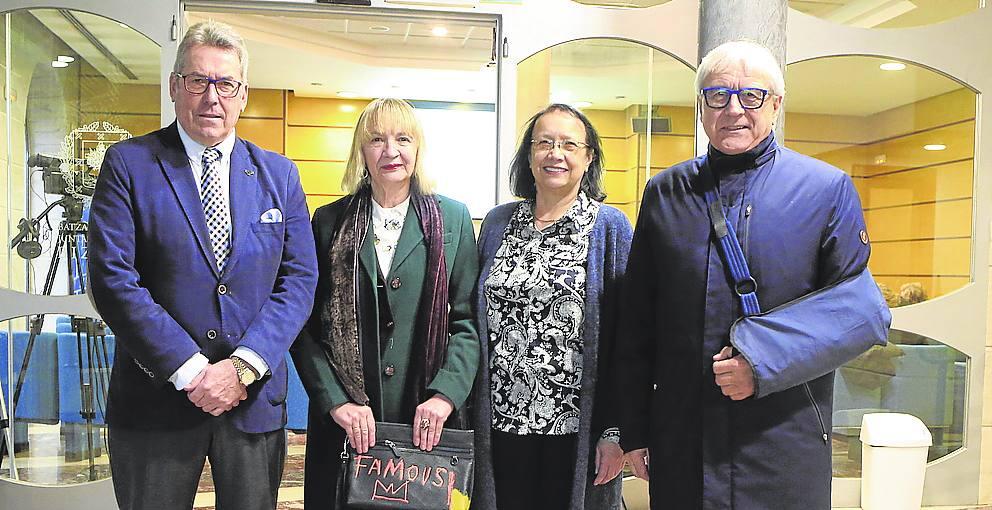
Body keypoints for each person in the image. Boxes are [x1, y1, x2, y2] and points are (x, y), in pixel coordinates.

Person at [614, 40, 890, 509]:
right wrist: (634, 428)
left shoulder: (825, 189)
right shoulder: (665, 192)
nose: (733, 109)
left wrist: (760, 364)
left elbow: (856, 314)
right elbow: (639, 320)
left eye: (751, 95)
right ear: (701, 106)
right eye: (718, 95)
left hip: (784, 435)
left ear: (776, 104)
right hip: (684, 436)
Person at [87, 20, 318, 510]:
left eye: (225, 83)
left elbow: (298, 281)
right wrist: (192, 371)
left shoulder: (280, 174)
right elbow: (113, 279)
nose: (212, 96)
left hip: (251, 403)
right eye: (198, 80)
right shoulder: (129, 164)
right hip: (156, 403)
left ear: (243, 93)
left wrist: (242, 367)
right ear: (175, 87)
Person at [289, 97, 480, 509]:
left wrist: (444, 395)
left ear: (418, 148)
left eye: (403, 138)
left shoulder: (454, 218)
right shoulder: (328, 221)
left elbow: (468, 322)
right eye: (376, 139)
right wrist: (337, 401)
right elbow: (304, 325)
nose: (390, 151)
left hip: (425, 422)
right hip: (347, 425)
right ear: (361, 151)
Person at [471, 104, 631, 510]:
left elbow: (626, 342)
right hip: (500, 425)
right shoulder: (497, 223)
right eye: (544, 143)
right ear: (529, 155)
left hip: (575, 430)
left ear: (589, 156)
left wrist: (615, 434)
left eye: (569, 145)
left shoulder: (609, 228)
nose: (555, 154)